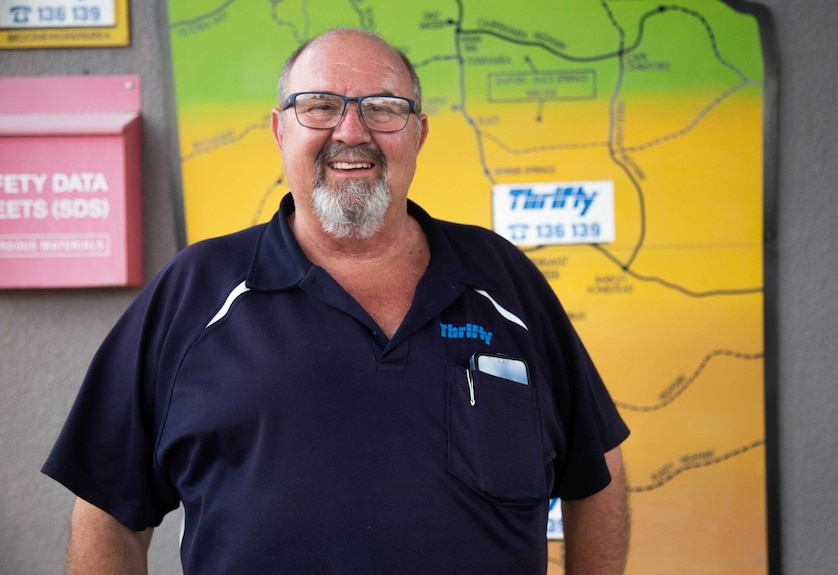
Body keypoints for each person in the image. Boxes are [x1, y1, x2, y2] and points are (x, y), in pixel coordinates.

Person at [42, 28, 630, 574]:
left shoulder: (503, 282)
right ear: (281, 130)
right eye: (320, 106)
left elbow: (596, 477)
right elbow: (107, 517)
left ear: (419, 134)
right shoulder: (195, 291)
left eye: (383, 108)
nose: (352, 132)